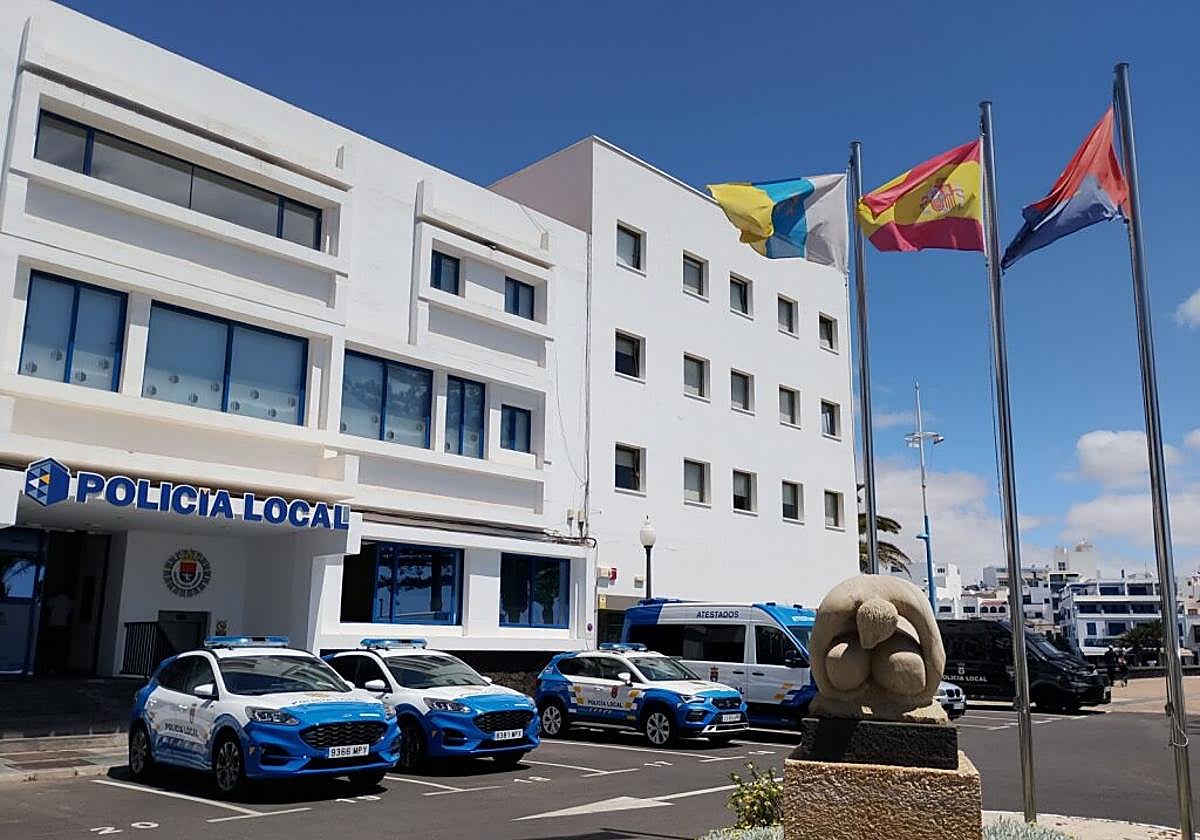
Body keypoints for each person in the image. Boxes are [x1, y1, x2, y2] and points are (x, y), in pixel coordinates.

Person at [42, 588, 72, 675]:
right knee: (59, 649)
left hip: (52, 626)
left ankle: (47, 667)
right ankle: (57, 669)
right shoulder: (69, 602)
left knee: (50, 648)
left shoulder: (53, 601)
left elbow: (46, 608)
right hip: (62, 628)